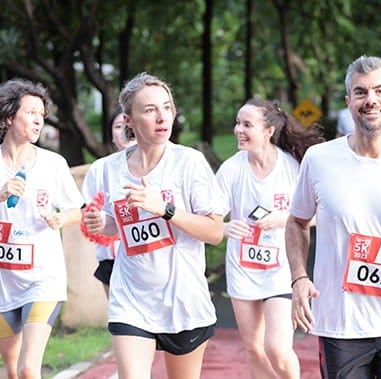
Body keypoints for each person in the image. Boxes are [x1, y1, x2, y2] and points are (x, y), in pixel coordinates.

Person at [82, 72, 224, 379]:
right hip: (131, 297)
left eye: (167, 107)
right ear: (129, 119)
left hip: (183, 300)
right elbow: (117, 226)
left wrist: (165, 209)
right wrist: (102, 222)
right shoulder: (107, 170)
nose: (162, 117)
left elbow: (214, 232)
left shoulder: (189, 163)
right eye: (149, 110)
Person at [286, 55, 381, 378]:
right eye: (361, 92)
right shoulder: (320, 159)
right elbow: (296, 221)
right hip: (342, 326)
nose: (371, 100)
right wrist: (298, 277)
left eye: (380, 90)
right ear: (349, 101)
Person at [216, 98, 324, 379]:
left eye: (247, 124)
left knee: (276, 348)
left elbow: (319, 215)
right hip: (243, 269)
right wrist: (225, 228)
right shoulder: (231, 169)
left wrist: (285, 219)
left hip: (281, 270)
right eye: (237, 123)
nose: (239, 129)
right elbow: (210, 218)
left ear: (268, 131)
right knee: (254, 349)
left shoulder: (292, 168)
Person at [0, 78, 84, 378]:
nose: (38, 120)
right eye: (31, 112)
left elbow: (78, 210)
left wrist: (62, 219)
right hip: (3, 281)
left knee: (27, 368)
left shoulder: (53, 164)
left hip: (43, 279)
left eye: (41, 114)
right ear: (10, 116)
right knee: (10, 367)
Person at [81, 104, 136, 298]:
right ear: (111, 136)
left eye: (128, 124)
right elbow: (87, 213)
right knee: (119, 320)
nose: (125, 131)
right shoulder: (100, 168)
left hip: (149, 256)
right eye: (118, 126)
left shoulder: (161, 165)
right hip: (110, 258)